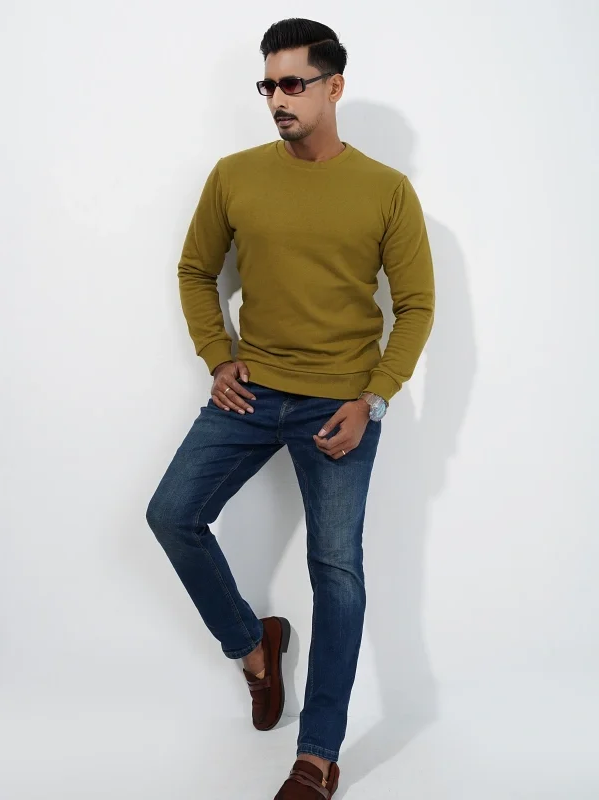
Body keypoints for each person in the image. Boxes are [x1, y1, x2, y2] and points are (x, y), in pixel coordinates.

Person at [145, 17, 435, 799]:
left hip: (340, 402)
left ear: (334, 87)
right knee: (171, 515)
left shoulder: (385, 190)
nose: (278, 98)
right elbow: (196, 269)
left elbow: (415, 306)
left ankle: (319, 755)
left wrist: (374, 399)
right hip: (251, 390)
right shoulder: (235, 175)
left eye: (293, 83)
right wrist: (218, 355)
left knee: (336, 568)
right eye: (268, 84)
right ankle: (253, 648)